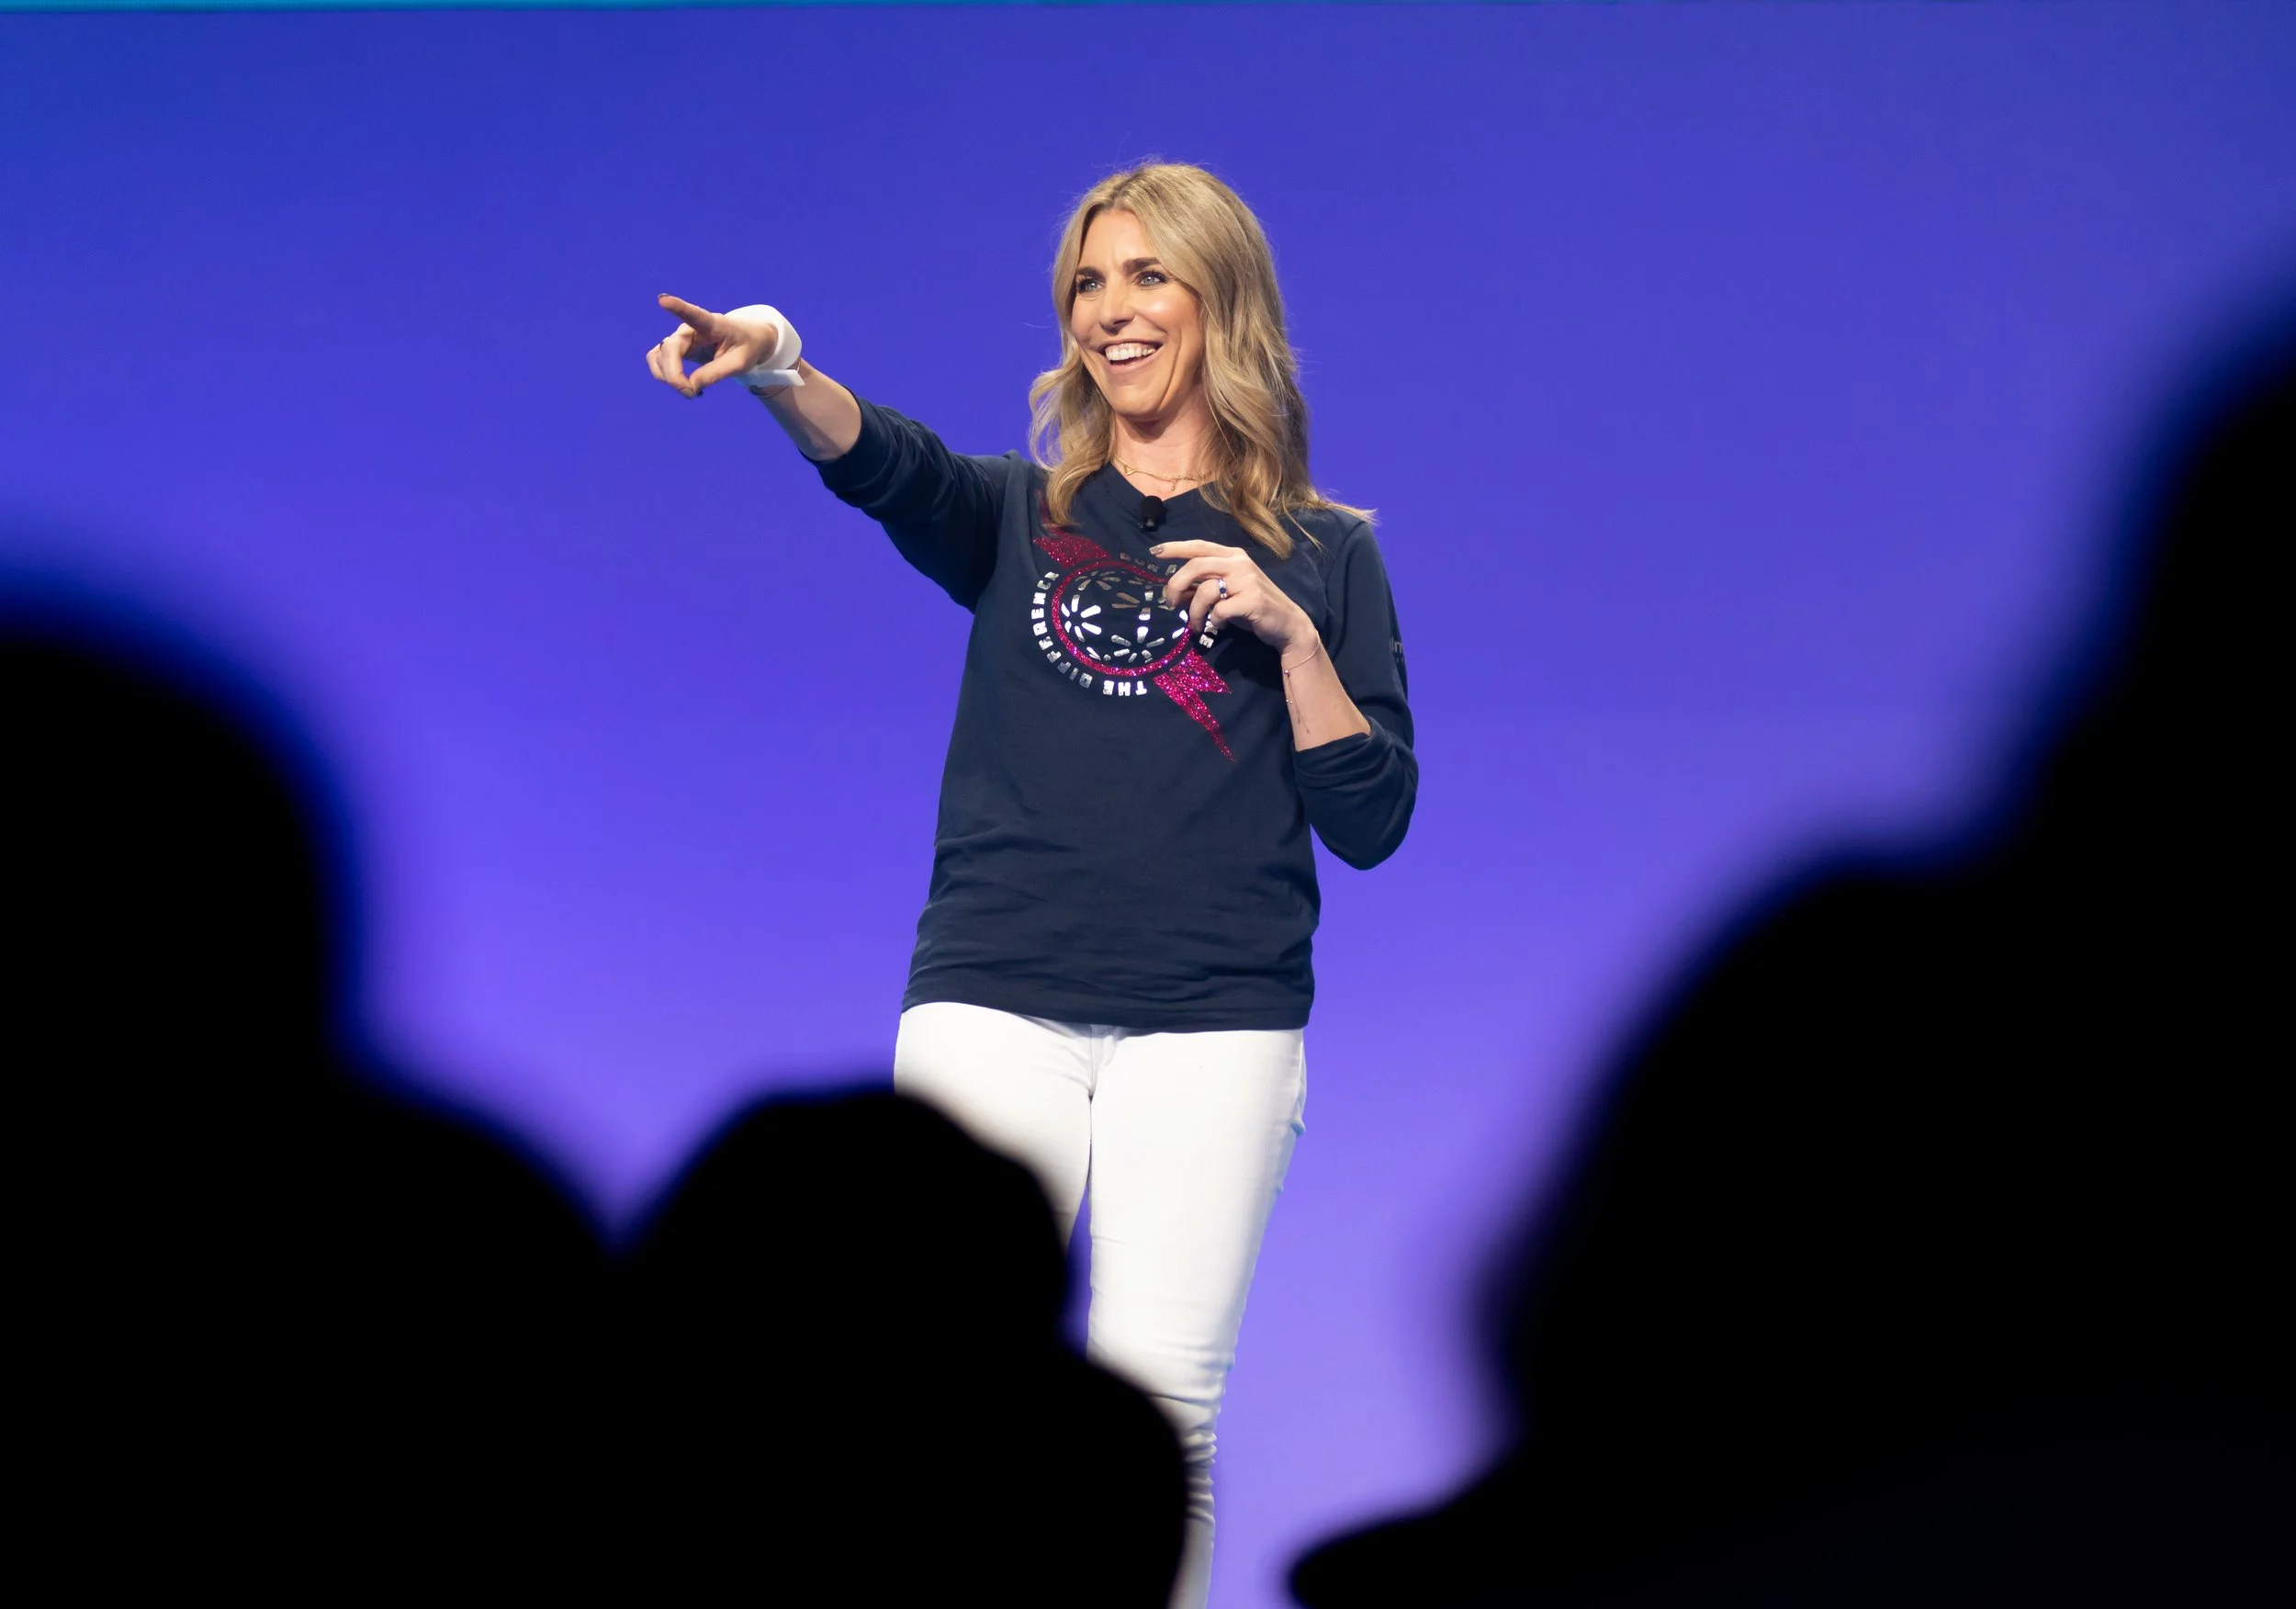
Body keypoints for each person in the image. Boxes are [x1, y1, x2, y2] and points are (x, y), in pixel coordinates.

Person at [646, 161, 1417, 1608]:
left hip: (1215, 1023)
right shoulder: (1018, 514)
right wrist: (782, 366)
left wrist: (1297, 643)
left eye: (1145, 277)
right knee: (920, 1402)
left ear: (1221, 301)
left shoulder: (1331, 553)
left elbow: (1372, 821)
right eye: (1085, 283)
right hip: (995, 997)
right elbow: (888, 463)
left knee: (1160, 1420)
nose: (1109, 313)